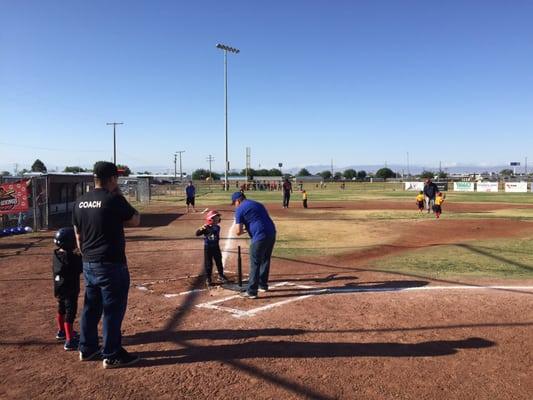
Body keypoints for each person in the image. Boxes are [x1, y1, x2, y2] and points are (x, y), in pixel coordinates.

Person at [73, 161, 141, 369]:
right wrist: (119, 195)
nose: (117, 181)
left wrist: (87, 255)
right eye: (116, 178)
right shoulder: (113, 199)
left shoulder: (80, 201)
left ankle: (87, 348)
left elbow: (78, 235)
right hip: (111, 264)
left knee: (91, 308)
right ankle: (111, 354)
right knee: (112, 310)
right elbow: (135, 220)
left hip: (89, 262)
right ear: (111, 179)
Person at [231, 192, 276, 299]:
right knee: (265, 259)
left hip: (259, 236)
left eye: (234, 203)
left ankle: (252, 291)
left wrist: (246, 230)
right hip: (271, 233)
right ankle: (263, 285)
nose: (234, 205)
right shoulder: (258, 204)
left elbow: (238, 232)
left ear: (238, 200)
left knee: (255, 263)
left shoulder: (239, 209)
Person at [52, 227, 83, 351]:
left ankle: (61, 332)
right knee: (70, 313)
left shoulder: (56, 254)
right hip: (70, 290)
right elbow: (80, 267)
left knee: (61, 309)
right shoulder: (71, 258)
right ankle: (69, 340)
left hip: (59, 288)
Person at [196, 210, 230, 288]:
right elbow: (197, 233)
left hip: (216, 247)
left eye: (218, 217)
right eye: (217, 217)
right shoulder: (205, 227)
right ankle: (208, 278)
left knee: (219, 261)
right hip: (208, 248)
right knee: (208, 263)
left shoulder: (217, 227)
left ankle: (221, 275)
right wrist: (203, 228)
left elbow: (213, 230)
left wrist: (208, 226)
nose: (219, 218)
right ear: (211, 219)